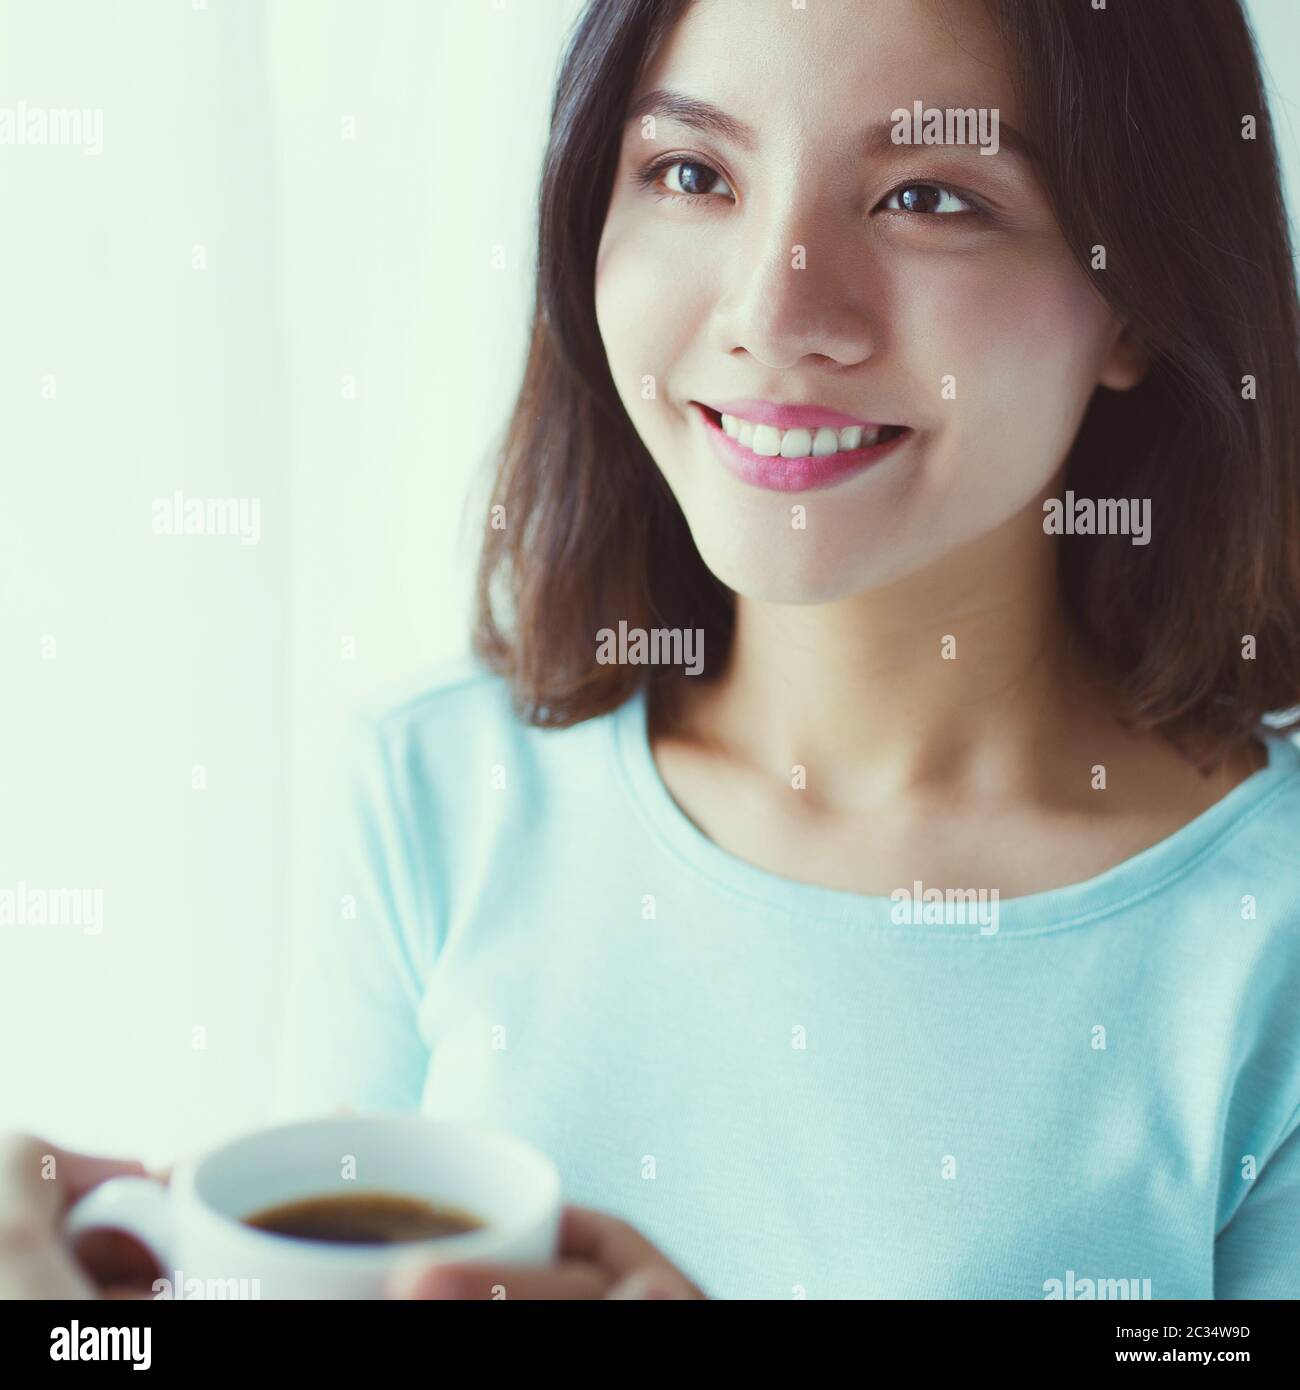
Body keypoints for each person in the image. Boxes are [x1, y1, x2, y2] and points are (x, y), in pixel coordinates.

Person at [10, 0, 1300, 1299]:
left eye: (928, 196)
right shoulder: (432, 801)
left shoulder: (1269, 937)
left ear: (1142, 290)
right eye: (693, 174)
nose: (775, 311)